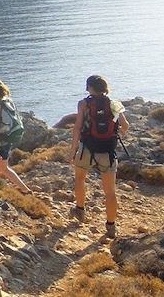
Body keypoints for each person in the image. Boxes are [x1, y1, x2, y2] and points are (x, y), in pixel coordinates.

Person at [69, 75, 130, 238]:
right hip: (107, 152)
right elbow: (125, 126)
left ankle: (80, 210)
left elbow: (77, 128)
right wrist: (113, 133)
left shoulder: (83, 104)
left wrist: (72, 151)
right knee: (110, 191)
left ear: (89, 87)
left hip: (87, 149)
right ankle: (111, 226)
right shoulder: (114, 103)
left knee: (80, 179)